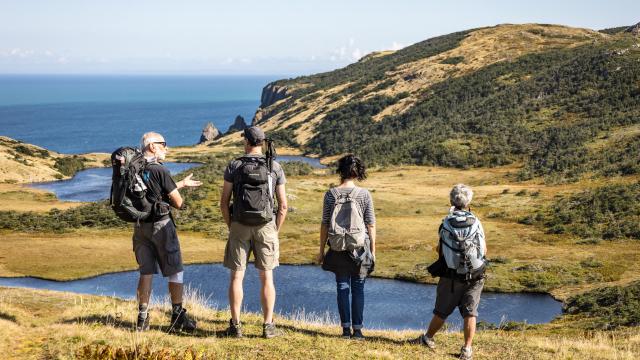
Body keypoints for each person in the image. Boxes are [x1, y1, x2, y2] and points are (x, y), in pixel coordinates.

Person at [219, 126, 288, 338]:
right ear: (262, 142)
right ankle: (268, 326)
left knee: (236, 277)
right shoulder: (274, 167)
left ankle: (236, 326)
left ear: (246, 142)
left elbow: (224, 202)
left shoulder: (235, 165)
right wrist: (274, 229)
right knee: (267, 278)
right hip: (266, 225)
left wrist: (232, 226)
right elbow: (283, 205)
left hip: (239, 224)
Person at [133, 131, 202, 333]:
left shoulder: (135, 167)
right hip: (161, 225)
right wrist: (179, 192)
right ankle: (177, 315)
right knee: (175, 269)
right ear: (152, 146)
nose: (166, 148)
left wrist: (180, 183)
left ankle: (142, 319)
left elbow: (153, 193)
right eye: (163, 144)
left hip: (139, 226)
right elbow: (178, 202)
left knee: (146, 271)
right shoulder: (160, 170)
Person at [414, 184, 486, 360]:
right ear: (469, 201)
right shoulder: (476, 221)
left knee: (441, 311)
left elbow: (440, 250)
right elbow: (483, 251)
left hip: (451, 276)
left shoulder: (445, 223)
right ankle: (467, 349)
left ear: (451, 200)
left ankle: (427, 338)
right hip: (474, 274)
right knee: (470, 312)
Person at [317, 154, 376, 340]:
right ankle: (357, 331)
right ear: (358, 172)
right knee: (358, 288)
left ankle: (345, 330)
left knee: (342, 287)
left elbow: (325, 223)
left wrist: (321, 251)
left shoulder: (330, 194)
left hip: (337, 247)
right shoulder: (364, 194)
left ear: (340, 171)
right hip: (360, 247)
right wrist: (372, 251)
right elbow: (371, 224)